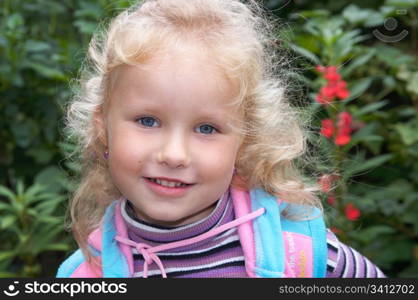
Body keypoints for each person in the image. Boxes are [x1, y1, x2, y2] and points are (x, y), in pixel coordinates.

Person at [57, 0, 385, 278]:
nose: (174, 154)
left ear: (245, 140)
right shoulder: (85, 274)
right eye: (148, 121)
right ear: (104, 128)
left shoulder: (299, 255)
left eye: (206, 129)